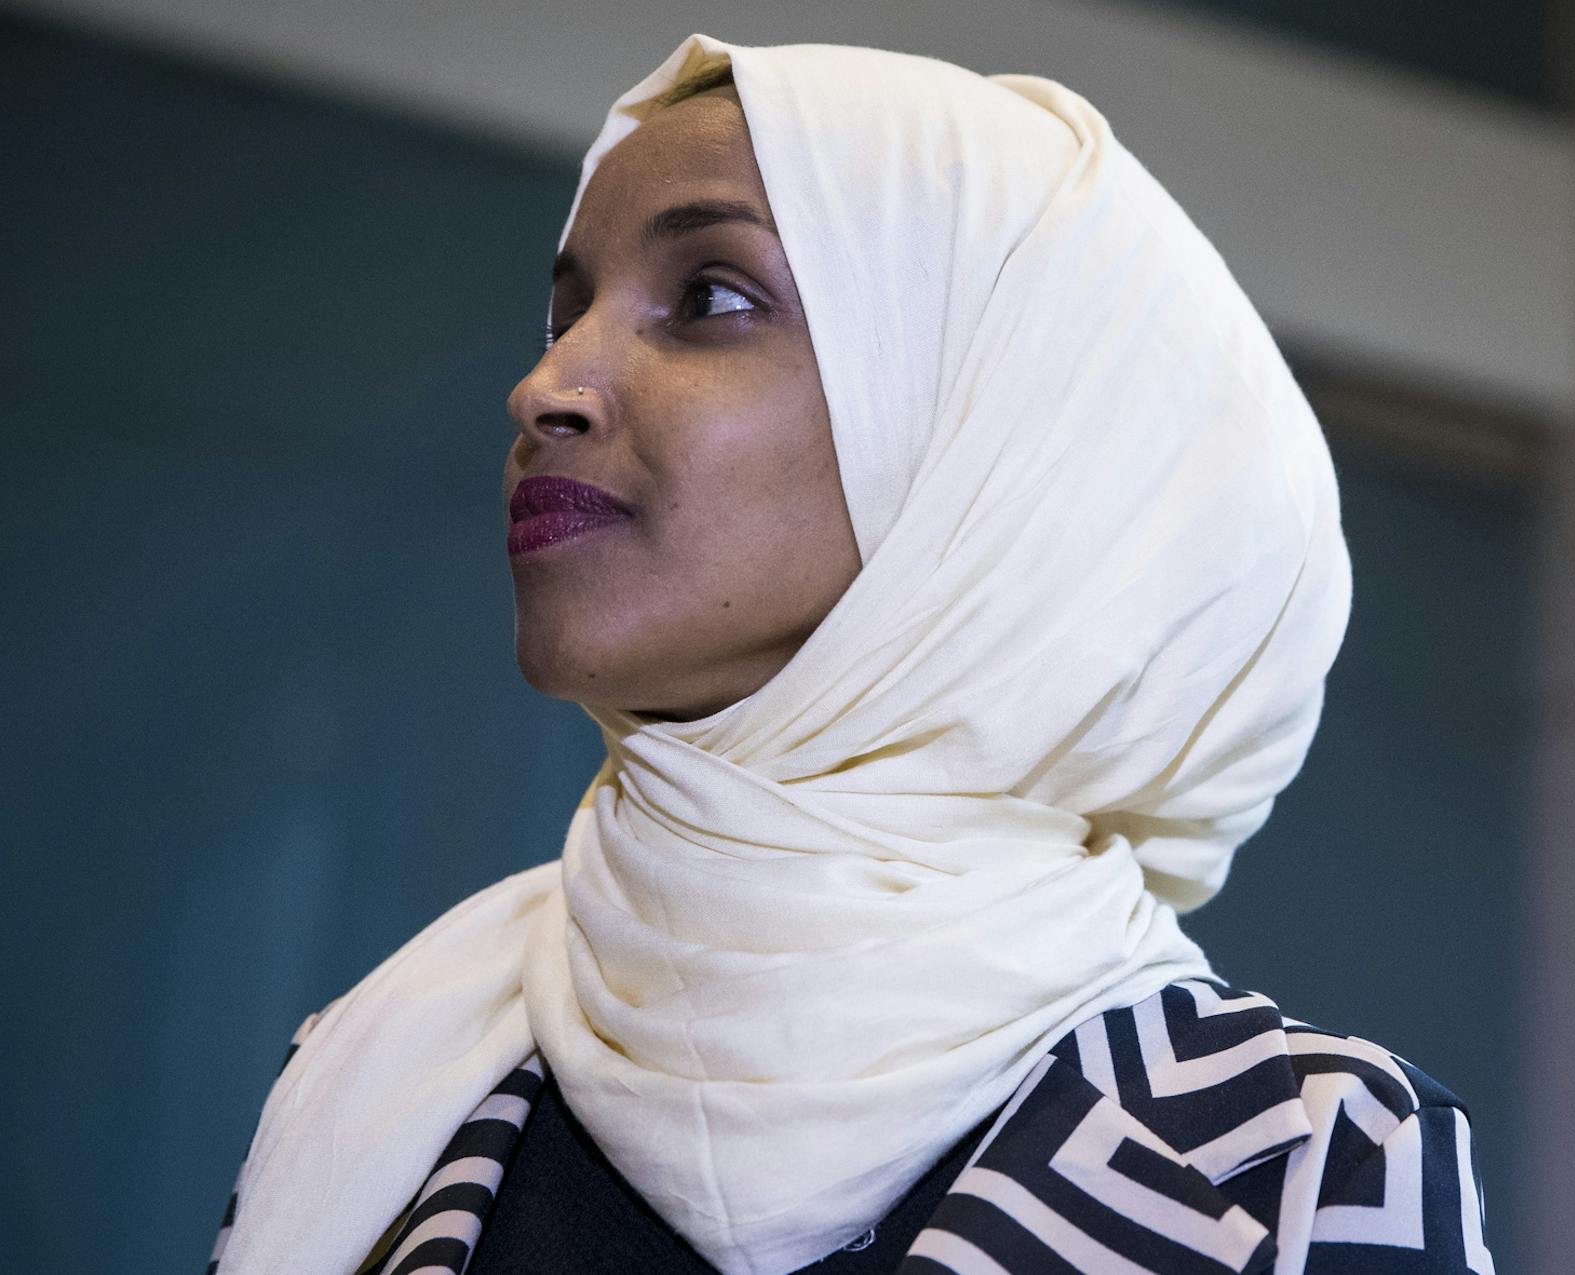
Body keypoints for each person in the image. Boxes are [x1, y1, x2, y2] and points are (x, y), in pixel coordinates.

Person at [206, 34, 1497, 1275]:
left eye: (708, 297)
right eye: (568, 309)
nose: (548, 383)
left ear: (991, 445)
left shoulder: (1297, 1175)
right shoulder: (377, 1077)